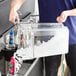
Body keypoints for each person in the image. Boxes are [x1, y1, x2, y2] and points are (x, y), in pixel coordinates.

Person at [9, 0, 76, 76]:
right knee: (50, 72)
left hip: (73, 36)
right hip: (48, 38)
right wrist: (13, 9)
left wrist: (68, 13)